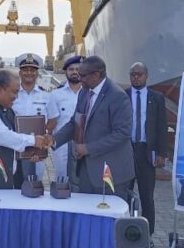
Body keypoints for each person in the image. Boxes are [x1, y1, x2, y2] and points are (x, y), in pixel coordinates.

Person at [52, 56, 136, 202]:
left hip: (111, 172)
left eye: (83, 75)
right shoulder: (84, 92)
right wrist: (52, 141)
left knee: (108, 214)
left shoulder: (117, 97)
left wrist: (88, 148)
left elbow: (122, 133)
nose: (79, 78)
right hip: (87, 172)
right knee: (86, 211)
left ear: (96, 75)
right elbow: (74, 123)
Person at [126, 62, 169, 237]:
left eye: (139, 74)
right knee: (125, 193)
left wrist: (162, 153)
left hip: (146, 152)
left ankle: (147, 235)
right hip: (127, 151)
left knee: (147, 196)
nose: (136, 77)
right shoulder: (123, 96)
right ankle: (125, 230)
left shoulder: (156, 97)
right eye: (133, 74)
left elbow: (162, 126)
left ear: (146, 76)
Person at [11, 53, 50, 179]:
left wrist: (44, 143)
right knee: (13, 181)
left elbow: (51, 122)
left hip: (37, 148)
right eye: (25, 70)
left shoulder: (46, 96)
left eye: (32, 70)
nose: (29, 73)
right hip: (14, 146)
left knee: (35, 182)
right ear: (20, 73)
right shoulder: (12, 94)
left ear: (37, 73)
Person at [46, 55, 84, 182]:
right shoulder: (56, 95)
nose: (75, 72)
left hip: (83, 143)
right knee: (62, 179)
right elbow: (52, 122)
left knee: (83, 178)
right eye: (71, 69)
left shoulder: (89, 93)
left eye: (78, 69)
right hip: (62, 144)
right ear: (66, 72)